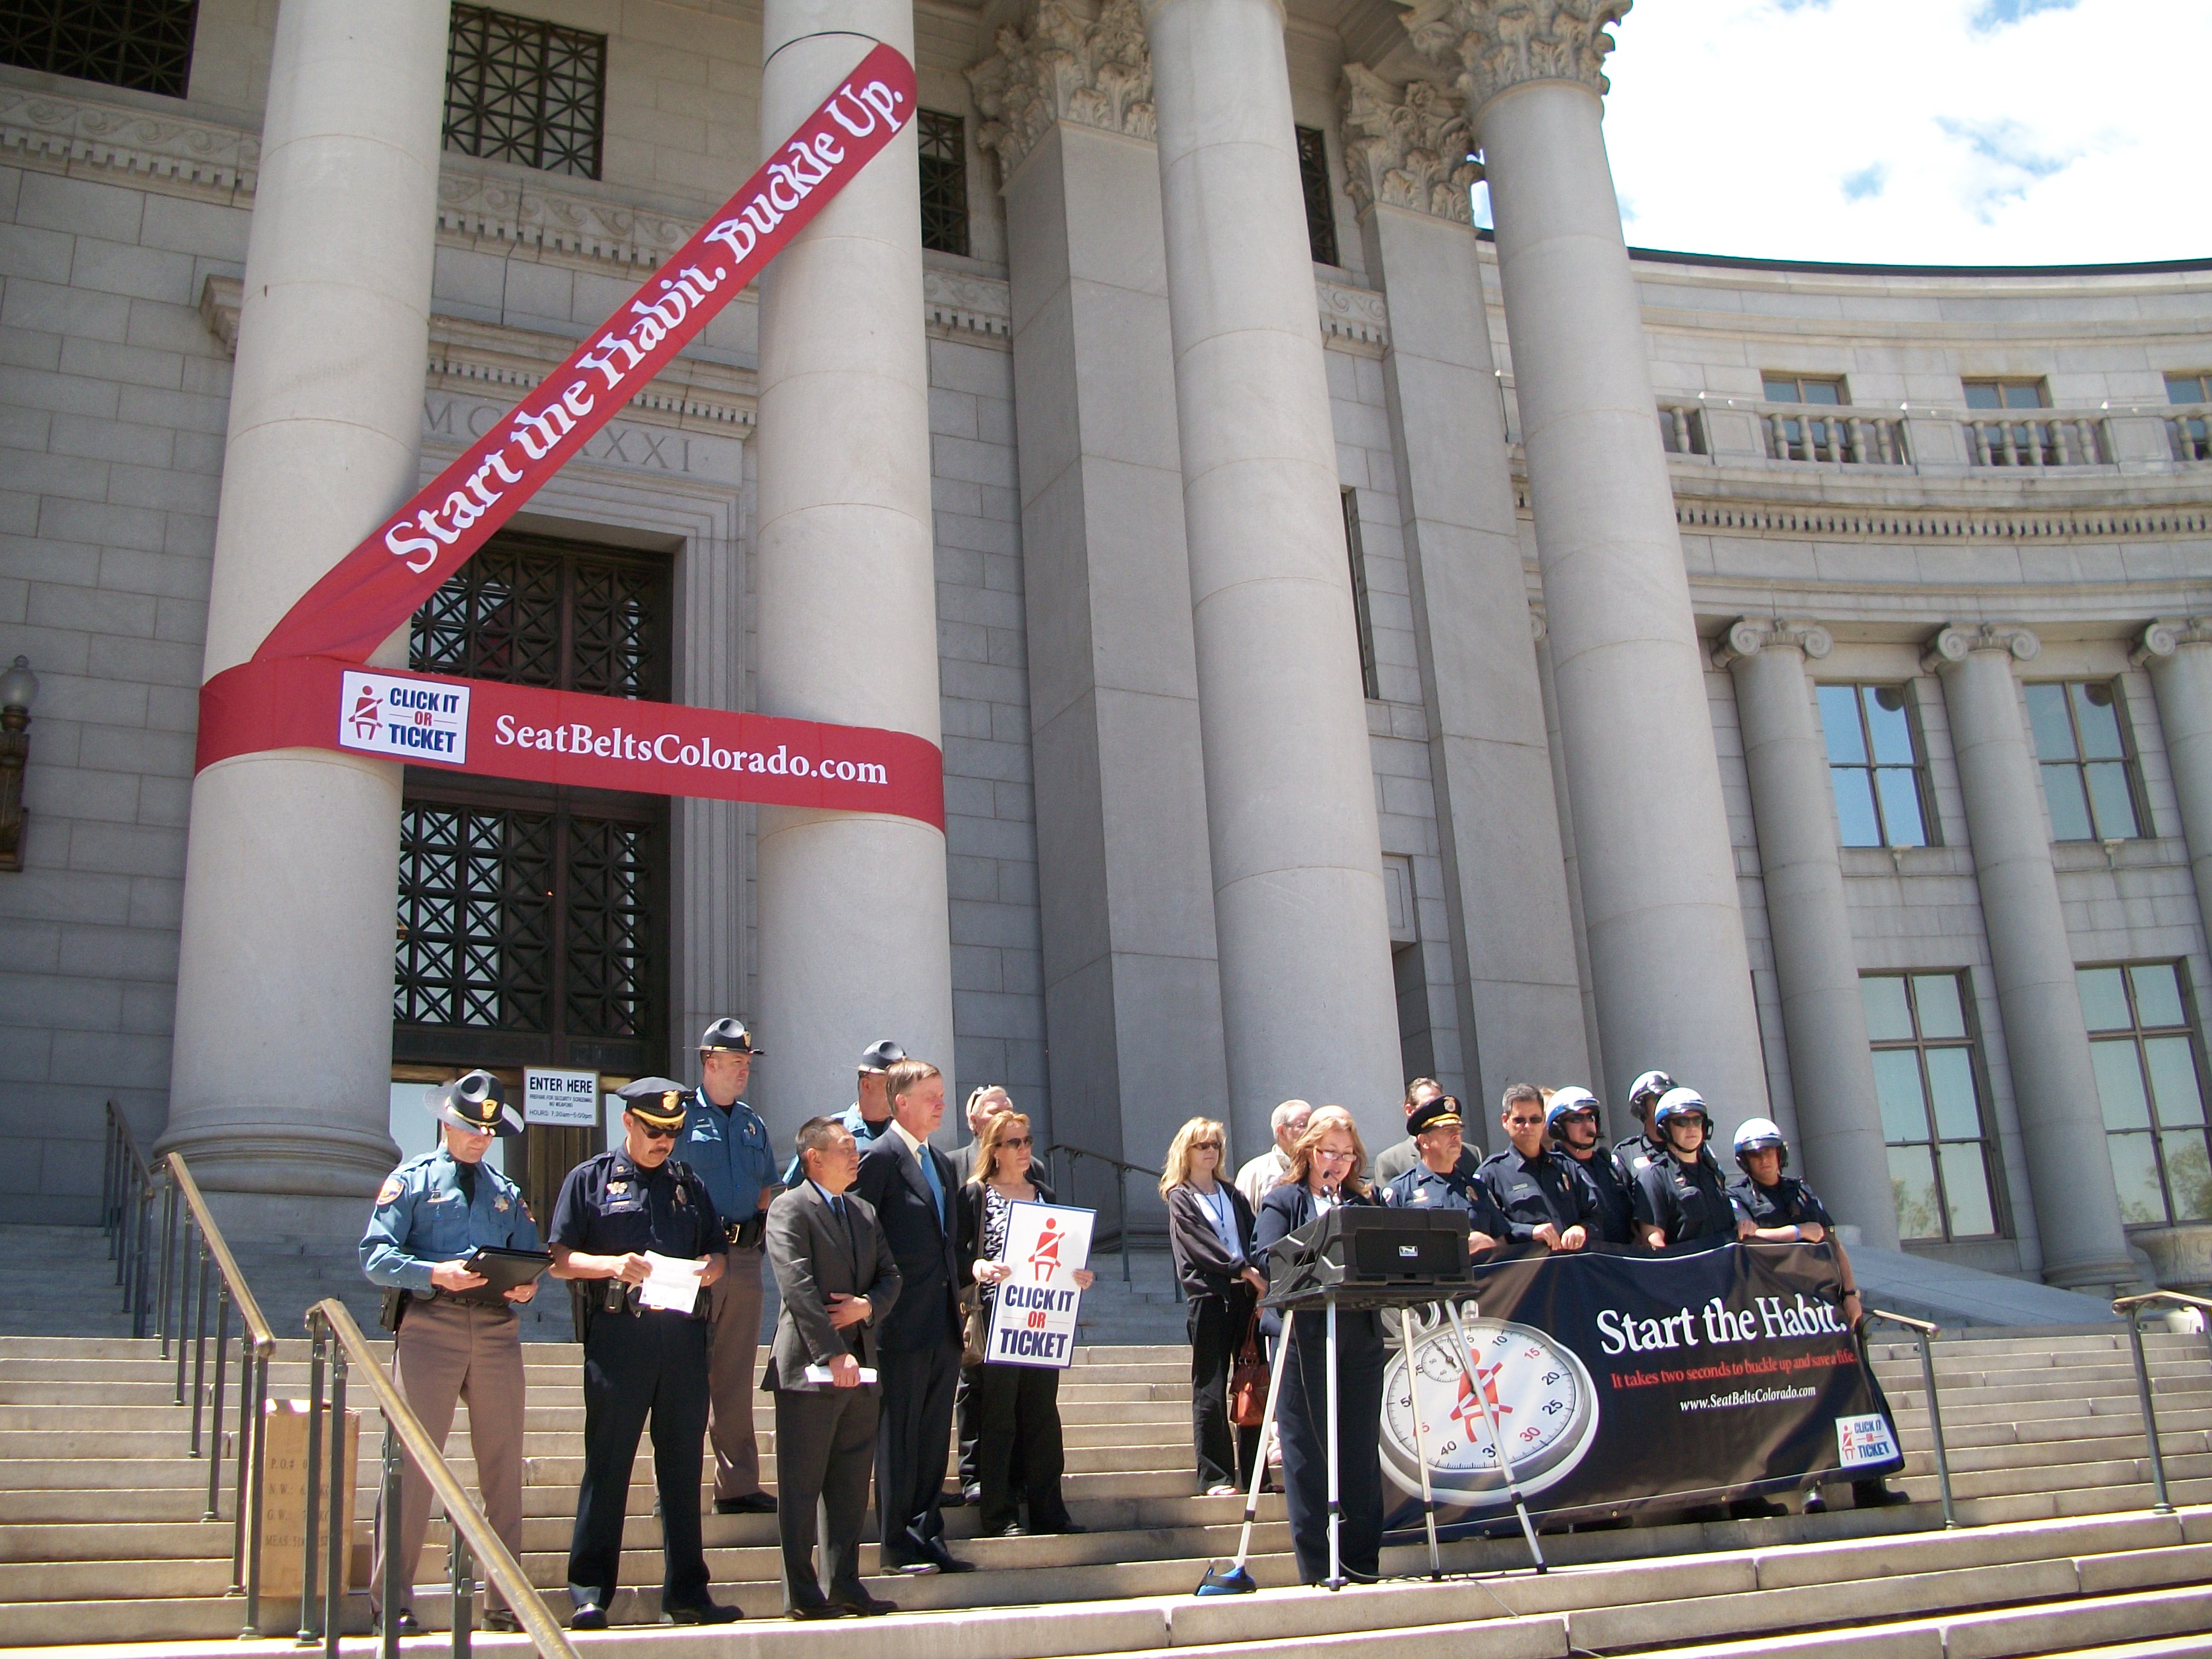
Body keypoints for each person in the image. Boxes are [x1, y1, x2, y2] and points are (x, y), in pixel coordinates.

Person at [549, 1078, 737, 1629]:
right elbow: (559, 1257)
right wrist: (611, 1265)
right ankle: (589, 1592)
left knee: (683, 1467)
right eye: (655, 1131)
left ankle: (687, 1592)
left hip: (681, 1337)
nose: (664, 1143)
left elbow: (719, 1252)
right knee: (608, 1466)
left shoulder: (688, 1183)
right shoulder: (591, 1180)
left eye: (673, 1133)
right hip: (619, 1336)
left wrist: (712, 1270)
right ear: (628, 1122)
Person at [360, 1071, 540, 1637]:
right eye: (471, 1129)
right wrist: (432, 1271)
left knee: (504, 1467)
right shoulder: (411, 1180)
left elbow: (528, 1256)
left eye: (489, 1132)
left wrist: (526, 1284)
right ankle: (393, 1601)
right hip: (431, 1324)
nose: (480, 1140)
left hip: (495, 1331)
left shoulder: (505, 1191)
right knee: (411, 1465)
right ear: (447, 1121)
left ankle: (505, 1600)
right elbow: (374, 1257)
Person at [1726, 1118, 1907, 1512]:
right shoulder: (1737, 1196)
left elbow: (1831, 1241)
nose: (1766, 1160)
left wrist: (1851, 1294)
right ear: (1745, 1161)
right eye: (1756, 1154)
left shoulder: (1801, 1190)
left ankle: (1870, 1481)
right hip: (1779, 1316)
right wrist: (1796, 1232)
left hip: (1825, 1310)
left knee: (1856, 1391)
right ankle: (1813, 1487)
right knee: (1800, 1402)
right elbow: (1745, 1236)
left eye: (1771, 1151)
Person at [762, 1117, 904, 1619]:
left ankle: (845, 1584)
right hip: (808, 1370)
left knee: (848, 1488)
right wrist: (831, 1351)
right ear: (814, 1158)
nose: (854, 1155)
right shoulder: (789, 1207)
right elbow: (796, 1286)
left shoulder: (863, 1210)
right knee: (801, 1488)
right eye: (844, 1148)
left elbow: (891, 1276)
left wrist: (867, 1307)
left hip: (861, 1370)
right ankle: (802, 1594)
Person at [1252, 1107, 1388, 1586]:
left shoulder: (1364, 1203)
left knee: (1359, 1449)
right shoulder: (1284, 1199)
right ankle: (1317, 1566)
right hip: (1304, 1333)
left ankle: (1362, 1562)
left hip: (1359, 1332)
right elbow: (1268, 1256)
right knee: (1308, 1448)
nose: (1339, 1164)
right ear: (1308, 1152)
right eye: (1330, 1152)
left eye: (1348, 1155)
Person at [852, 1058, 974, 1574]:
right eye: (931, 1096)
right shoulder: (878, 1158)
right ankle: (896, 1544)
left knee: (929, 1438)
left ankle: (929, 1535)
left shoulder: (943, 1164)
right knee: (898, 1437)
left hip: (942, 1320)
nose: (941, 1104)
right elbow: (859, 1235)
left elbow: (951, 1241)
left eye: (943, 1094)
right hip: (899, 1322)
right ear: (901, 1102)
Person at [958, 1110, 1094, 1536]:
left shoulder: (1044, 1194)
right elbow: (957, 1253)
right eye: (1014, 1143)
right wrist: (978, 1267)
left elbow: (1062, 1250)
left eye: (1027, 1141)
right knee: (999, 1417)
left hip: (1044, 1318)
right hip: (1000, 1316)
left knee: (1042, 1417)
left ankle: (1049, 1510)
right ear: (994, 1150)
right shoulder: (977, 1195)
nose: (1024, 1150)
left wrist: (1079, 1274)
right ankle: (999, 1514)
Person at [674, 1018, 779, 1517]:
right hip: (692, 1257)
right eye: (735, 1064)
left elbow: (766, 1186)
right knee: (681, 1375)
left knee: (734, 1376)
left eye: (747, 1065)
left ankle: (737, 1485)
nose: (743, 1073)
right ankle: (673, 1487)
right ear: (708, 1063)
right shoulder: (679, 1119)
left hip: (741, 1258)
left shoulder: (752, 1122)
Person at [1162, 1117, 1268, 1497]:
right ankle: (1217, 1477)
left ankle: (1258, 1474)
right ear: (1186, 1151)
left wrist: (1257, 1276)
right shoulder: (1180, 1196)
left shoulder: (1232, 1193)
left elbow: (1254, 1236)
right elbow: (1198, 1245)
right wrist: (1241, 1269)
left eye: (1215, 1146)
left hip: (1245, 1297)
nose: (1210, 1152)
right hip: (1210, 1299)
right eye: (1202, 1145)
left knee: (1252, 1383)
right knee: (1210, 1387)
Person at [1380, 1095, 1509, 1256]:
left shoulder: (1477, 1188)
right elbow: (1390, 1251)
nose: (1456, 1136)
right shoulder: (1401, 1190)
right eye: (1447, 1130)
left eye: (1458, 1130)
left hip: (1480, 1278)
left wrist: (1488, 1243)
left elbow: (1504, 1244)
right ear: (1424, 1141)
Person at [1477, 1084, 1600, 1250]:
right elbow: (1489, 1228)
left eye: (1535, 1119)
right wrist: (1530, 1232)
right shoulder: (1491, 1174)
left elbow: (1596, 1214)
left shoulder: (1567, 1167)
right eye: (1519, 1120)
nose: (1528, 1127)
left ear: (1543, 1121)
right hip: (1529, 1271)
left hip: (1573, 1269)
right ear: (1505, 1121)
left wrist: (1581, 1229)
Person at [1632, 1087, 1754, 1250]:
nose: (1691, 1128)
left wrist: (1742, 1226)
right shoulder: (1654, 1176)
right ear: (1665, 1129)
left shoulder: (1712, 1171)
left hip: (1726, 1269)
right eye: (1682, 1122)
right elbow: (1653, 1241)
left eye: (1697, 1120)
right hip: (1688, 1271)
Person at [780, 1039, 907, 1186]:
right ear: (867, 1085)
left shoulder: (904, 1133)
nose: (900, 1093)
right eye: (893, 1084)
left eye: (903, 1085)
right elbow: (793, 1193)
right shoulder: (827, 1133)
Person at [1547, 1087, 1639, 1246]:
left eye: (1590, 1117)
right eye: (1577, 1118)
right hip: (1585, 1264)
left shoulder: (1610, 1166)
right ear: (1558, 1126)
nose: (1587, 1124)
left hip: (1623, 1261)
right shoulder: (1552, 1170)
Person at [1371, 1078, 1457, 1186]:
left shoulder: (1471, 1154)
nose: (1437, 1113)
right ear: (1410, 1111)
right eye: (1429, 1106)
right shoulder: (1391, 1161)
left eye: (1439, 1106)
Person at [1233, 1098, 1312, 1210]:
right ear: (1282, 1131)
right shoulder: (1254, 1172)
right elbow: (1242, 1219)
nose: (1310, 1131)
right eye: (1303, 1125)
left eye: (1313, 1126)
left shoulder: (1320, 1166)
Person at [1613, 1069, 1678, 1180]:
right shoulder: (1626, 1153)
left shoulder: (1691, 1146)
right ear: (1641, 1106)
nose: (1665, 1103)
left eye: (1669, 1098)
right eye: (1658, 1098)